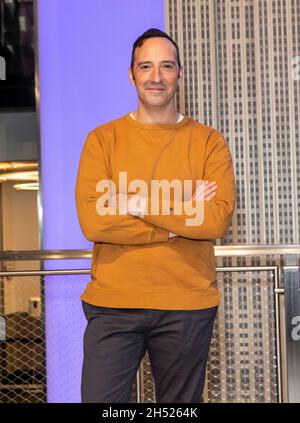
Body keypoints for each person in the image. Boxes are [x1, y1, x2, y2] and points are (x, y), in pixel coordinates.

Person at [75, 28, 236, 403]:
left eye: (166, 66)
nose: (156, 76)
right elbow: (93, 222)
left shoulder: (209, 142)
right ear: (132, 74)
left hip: (187, 304)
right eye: (146, 66)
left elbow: (213, 221)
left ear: (180, 73)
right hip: (112, 303)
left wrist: (137, 204)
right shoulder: (102, 140)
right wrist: (177, 223)